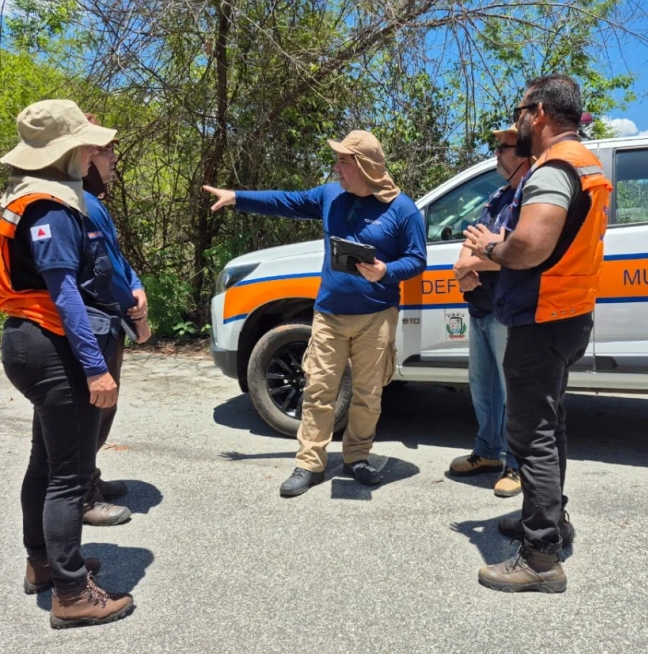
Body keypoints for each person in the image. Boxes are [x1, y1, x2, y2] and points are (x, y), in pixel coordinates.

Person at [203, 130, 427, 497]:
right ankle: (309, 463)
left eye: (344, 161)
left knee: (368, 394)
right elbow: (285, 201)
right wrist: (237, 197)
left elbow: (417, 260)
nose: (336, 168)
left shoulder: (402, 208)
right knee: (319, 390)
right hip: (329, 315)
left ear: (365, 167)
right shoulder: (330, 196)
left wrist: (387, 271)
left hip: (377, 318)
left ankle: (357, 458)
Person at [0, 99, 137, 627]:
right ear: (66, 152)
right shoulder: (51, 207)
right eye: (85, 145)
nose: (91, 153)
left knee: (46, 463)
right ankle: (72, 594)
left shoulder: (29, 196)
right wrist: (96, 367)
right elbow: (66, 294)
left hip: (29, 342)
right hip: (51, 346)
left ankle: (43, 565)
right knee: (69, 476)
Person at [463, 75, 612, 593]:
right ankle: (551, 520)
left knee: (532, 437)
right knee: (551, 426)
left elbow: (529, 247)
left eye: (521, 111)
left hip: (542, 316)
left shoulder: (554, 168)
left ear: (540, 112)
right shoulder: (585, 163)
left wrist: (490, 248)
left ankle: (541, 558)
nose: (519, 121)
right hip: (570, 314)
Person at [448, 125, 532, 498]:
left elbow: (515, 252)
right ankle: (487, 451)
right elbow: (475, 239)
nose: (497, 153)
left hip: (508, 310)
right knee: (484, 386)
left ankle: (517, 465)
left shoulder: (531, 197)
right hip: (482, 307)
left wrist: (471, 263)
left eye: (504, 147)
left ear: (524, 153)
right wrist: (463, 266)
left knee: (513, 391)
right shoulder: (498, 195)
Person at [80, 114, 151, 527]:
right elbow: (104, 273)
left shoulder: (94, 202)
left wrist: (137, 288)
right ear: (85, 155)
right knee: (92, 410)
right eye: (105, 150)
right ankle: (81, 495)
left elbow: (118, 260)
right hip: (95, 323)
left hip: (108, 320)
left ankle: (88, 476)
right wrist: (137, 315)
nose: (113, 159)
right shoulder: (83, 204)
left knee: (102, 408)